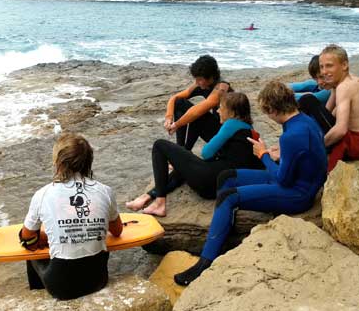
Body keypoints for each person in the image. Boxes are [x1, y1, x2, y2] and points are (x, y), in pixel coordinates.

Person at [174, 81, 327, 286]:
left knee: (228, 197)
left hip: (298, 194)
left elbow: (283, 179)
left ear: (271, 110)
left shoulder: (291, 135)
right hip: (300, 180)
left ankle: (205, 263)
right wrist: (279, 155)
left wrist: (263, 154)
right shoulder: (305, 120)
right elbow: (305, 155)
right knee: (226, 177)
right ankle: (223, 228)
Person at [19, 132, 123, 300]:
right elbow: (117, 231)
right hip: (98, 279)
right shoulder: (105, 191)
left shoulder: (43, 194)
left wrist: (49, 235)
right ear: (89, 161)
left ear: (58, 163)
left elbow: (27, 237)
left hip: (61, 287)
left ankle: (36, 295)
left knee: (30, 246)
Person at [126, 92, 264, 217]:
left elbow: (206, 153)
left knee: (159, 145)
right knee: (183, 165)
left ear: (232, 113)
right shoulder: (251, 131)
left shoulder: (231, 124)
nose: (217, 111)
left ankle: (160, 203)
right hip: (218, 186)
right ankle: (148, 196)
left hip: (209, 181)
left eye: (221, 108)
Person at [299, 44, 359, 172]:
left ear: (344, 65)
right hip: (353, 139)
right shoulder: (348, 81)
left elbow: (341, 129)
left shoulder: (344, 87)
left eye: (329, 65)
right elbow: (326, 113)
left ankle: (297, 142)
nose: (324, 71)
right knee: (309, 102)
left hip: (354, 144)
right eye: (322, 67)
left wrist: (317, 146)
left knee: (307, 100)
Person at [164, 54, 229, 151]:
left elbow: (197, 111)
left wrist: (176, 125)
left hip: (227, 135)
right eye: (196, 79)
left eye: (200, 79)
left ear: (211, 77)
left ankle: (183, 152)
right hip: (216, 130)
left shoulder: (222, 87)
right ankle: (181, 150)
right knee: (179, 103)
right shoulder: (201, 84)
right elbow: (174, 98)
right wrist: (168, 118)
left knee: (196, 115)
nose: (197, 82)